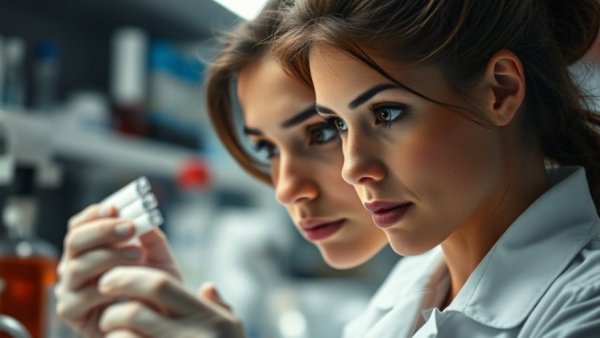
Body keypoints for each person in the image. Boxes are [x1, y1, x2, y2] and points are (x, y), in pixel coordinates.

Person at [54, 1, 389, 337]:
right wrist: (148, 317)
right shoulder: (404, 301)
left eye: (323, 132)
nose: (284, 189)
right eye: (267, 148)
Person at [273, 0, 600, 336]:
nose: (353, 168)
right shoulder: (411, 284)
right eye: (339, 125)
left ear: (500, 91)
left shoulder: (587, 304)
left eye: (386, 113)